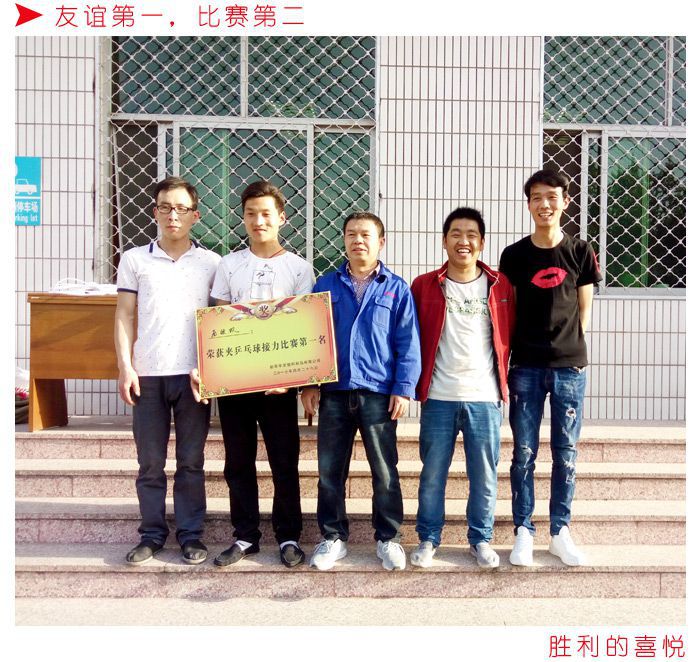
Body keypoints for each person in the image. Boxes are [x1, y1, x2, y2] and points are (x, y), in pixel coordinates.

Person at [193, 180, 314, 568]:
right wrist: (212, 374)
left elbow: (305, 328)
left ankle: (289, 536)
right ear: (242, 218)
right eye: (250, 214)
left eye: (266, 214)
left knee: (284, 462)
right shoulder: (229, 265)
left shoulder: (299, 268)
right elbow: (217, 321)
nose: (258, 221)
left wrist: (295, 380)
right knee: (238, 462)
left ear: (282, 218)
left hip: (280, 385)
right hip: (235, 382)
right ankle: (245, 536)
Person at [301, 211, 421, 571]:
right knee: (329, 472)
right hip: (334, 392)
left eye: (366, 235)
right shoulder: (326, 284)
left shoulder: (396, 288)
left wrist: (403, 389)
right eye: (351, 234)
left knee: (384, 471)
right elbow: (311, 336)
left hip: (378, 393)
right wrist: (309, 382)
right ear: (343, 240)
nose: (358, 240)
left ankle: (388, 538)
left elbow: (407, 342)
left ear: (380, 241)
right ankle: (333, 538)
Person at [115, 176, 220, 566]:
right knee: (150, 463)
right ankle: (152, 535)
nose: (172, 215)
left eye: (181, 208)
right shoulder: (134, 260)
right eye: (165, 207)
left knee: (191, 461)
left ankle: (191, 535)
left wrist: (212, 371)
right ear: (154, 212)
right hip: (148, 375)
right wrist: (126, 367)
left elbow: (221, 322)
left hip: (194, 377)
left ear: (195, 215)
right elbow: (124, 316)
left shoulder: (212, 263)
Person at [499, 169, 602, 567]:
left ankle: (560, 531)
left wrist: (568, 348)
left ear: (565, 201)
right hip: (525, 365)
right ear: (528, 204)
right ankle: (523, 531)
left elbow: (584, 309)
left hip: (569, 368)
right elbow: (508, 309)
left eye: (552, 197)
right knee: (523, 452)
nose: (545, 204)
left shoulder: (580, 251)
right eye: (537, 197)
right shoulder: (514, 255)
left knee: (566, 452)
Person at [409, 207, 515, 569]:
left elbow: (510, 333)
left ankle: (480, 539)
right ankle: (428, 538)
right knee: (432, 474)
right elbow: (411, 337)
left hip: (485, 397)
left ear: (481, 243)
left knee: (484, 476)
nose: (463, 241)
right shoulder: (425, 285)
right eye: (455, 234)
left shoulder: (500, 285)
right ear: (444, 241)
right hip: (439, 396)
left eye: (471, 235)